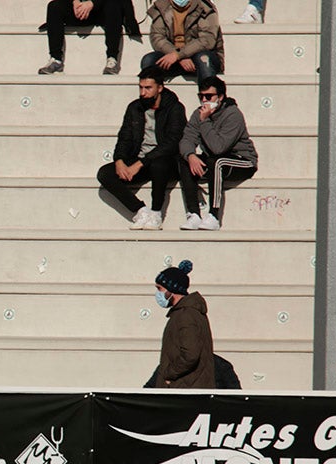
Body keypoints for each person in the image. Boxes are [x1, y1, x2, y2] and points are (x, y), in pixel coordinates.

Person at [96, 66, 185, 231]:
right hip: (141, 160)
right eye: (141, 87)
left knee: (159, 163)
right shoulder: (135, 108)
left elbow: (172, 143)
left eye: (148, 88)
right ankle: (141, 211)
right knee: (105, 174)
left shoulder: (175, 108)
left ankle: (156, 213)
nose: (143, 92)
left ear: (160, 88)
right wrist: (120, 160)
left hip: (166, 161)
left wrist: (140, 163)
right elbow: (125, 137)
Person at [178, 75, 256, 230]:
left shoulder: (233, 114)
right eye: (201, 96)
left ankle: (214, 215)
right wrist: (191, 155)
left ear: (220, 97)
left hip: (242, 160)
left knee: (217, 161)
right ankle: (193, 214)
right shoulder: (198, 113)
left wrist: (205, 120)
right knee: (183, 159)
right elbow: (187, 138)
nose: (204, 100)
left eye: (209, 96)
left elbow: (219, 147)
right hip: (214, 159)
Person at [153, 259, 214, 388]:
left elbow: (190, 354)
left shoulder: (186, 315)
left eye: (160, 288)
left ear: (171, 290)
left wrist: (168, 374)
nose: (157, 293)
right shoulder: (184, 313)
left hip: (184, 391)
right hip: (185, 388)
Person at [38, 0, 141, 75]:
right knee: (54, 6)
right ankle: (56, 60)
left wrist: (92, 3)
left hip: (103, 9)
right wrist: (75, 1)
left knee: (113, 5)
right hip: (80, 9)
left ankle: (112, 59)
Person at [139, 0, 223, 82]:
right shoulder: (161, 6)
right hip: (171, 56)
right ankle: (153, 95)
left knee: (204, 59)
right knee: (149, 60)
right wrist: (177, 56)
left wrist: (179, 55)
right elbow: (157, 37)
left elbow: (207, 40)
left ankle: (210, 94)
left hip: (199, 55)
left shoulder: (204, 6)